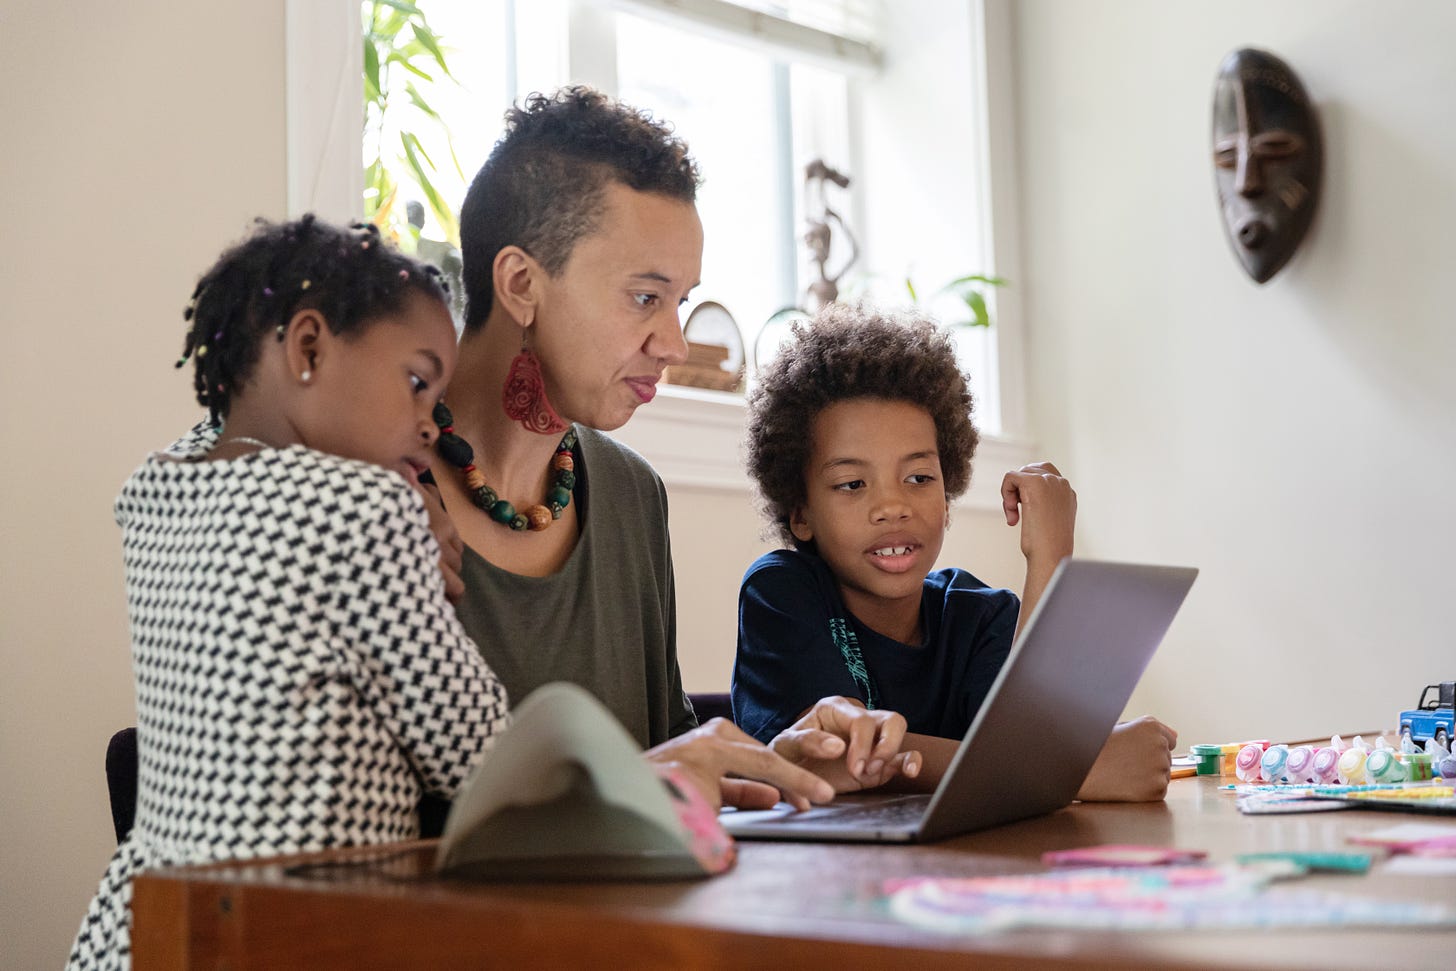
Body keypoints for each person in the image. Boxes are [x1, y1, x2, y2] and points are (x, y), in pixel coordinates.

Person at [432, 86, 912, 802]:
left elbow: (662, 761)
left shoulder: (630, 495)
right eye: (644, 297)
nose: (675, 344)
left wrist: (775, 765)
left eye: (681, 301)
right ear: (521, 283)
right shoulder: (367, 493)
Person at [67, 216, 514, 971]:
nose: (428, 425)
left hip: (149, 920)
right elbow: (479, 754)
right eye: (415, 382)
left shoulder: (155, 492)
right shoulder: (366, 511)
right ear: (308, 347)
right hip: (300, 925)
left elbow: (230, 440)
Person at [732, 303, 1177, 801]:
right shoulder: (781, 592)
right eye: (852, 483)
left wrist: (1052, 558)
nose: (893, 506)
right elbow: (832, 755)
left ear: (947, 498)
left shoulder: (981, 616)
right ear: (801, 515)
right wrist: (1074, 772)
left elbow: (1032, 747)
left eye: (919, 478)